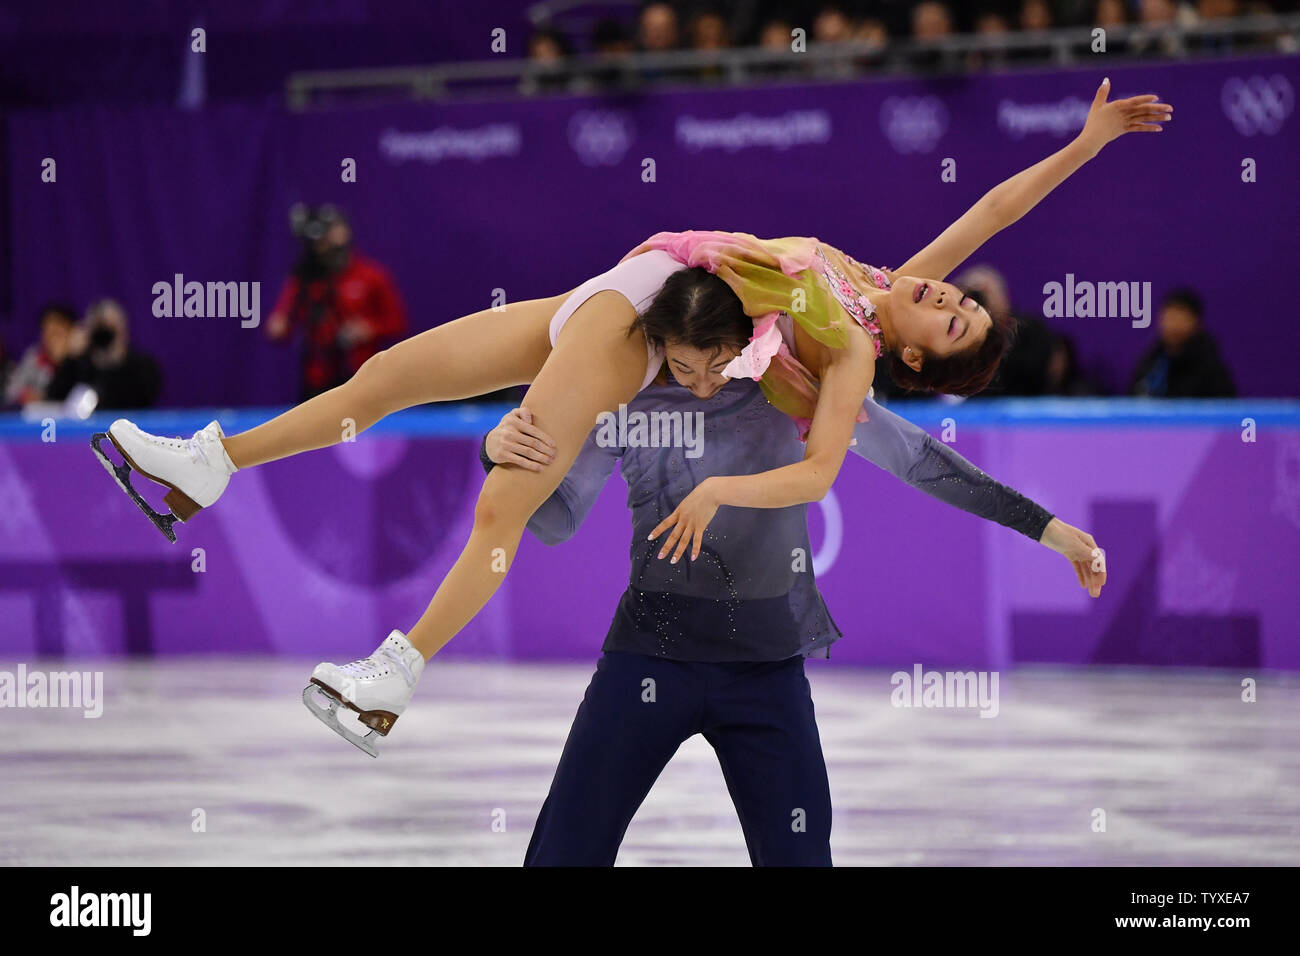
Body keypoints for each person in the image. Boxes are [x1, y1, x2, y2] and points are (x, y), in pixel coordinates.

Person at [92, 80, 1166, 751]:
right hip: (610, 287)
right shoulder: (875, 276)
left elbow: (871, 464)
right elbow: (991, 208)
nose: (951, 295)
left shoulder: (847, 352)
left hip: (631, 330)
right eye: (960, 295)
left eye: (956, 321)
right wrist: (1088, 144)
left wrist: (1048, 527)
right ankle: (212, 461)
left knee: (505, 493)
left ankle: (392, 673)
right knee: (384, 379)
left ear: (926, 358)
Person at [476, 374, 1104, 863]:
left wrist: (1045, 528)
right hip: (647, 658)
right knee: (567, 850)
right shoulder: (629, 403)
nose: (699, 381)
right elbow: (556, 522)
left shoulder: (793, 393)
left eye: (716, 359)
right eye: (682, 363)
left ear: (746, 342)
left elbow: (921, 460)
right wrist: (499, 457)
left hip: (765, 673)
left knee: (799, 857)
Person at [265, 204, 409, 401]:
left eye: (331, 232)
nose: (325, 244)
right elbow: (280, 326)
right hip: (317, 379)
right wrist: (279, 325)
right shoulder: (304, 281)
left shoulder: (372, 276)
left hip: (360, 375)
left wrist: (367, 329)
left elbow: (397, 323)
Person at [47, 299, 162, 410]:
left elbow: (144, 398)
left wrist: (116, 358)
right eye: (99, 328)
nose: (104, 334)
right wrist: (71, 357)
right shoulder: (80, 366)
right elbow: (53, 397)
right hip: (86, 429)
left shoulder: (142, 365)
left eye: (110, 328)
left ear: (123, 328)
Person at [1129, 288, 1236, 397]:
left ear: (1195, 322)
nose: (1173, 326)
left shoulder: (1211, 369)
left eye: (1180, 318)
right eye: (1169, 318)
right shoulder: (1152, 362)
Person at [3, 302, 77, 407]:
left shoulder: (82, 360)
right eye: (48, 332)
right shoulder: (35, 357)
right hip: (41, 420)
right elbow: (11, 392)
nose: (53, 339)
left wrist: (66, 361)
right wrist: (24, 395)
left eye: (57, 333)